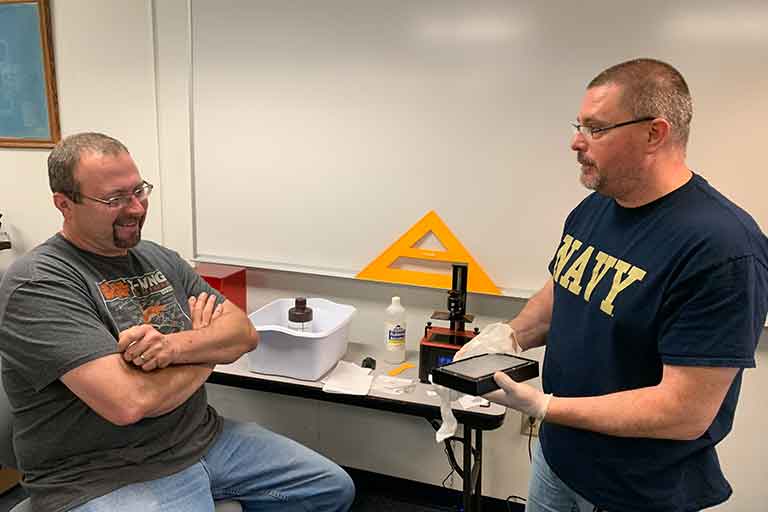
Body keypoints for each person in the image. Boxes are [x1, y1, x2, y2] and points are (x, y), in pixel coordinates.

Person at [457, 58, 768, 511]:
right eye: (579, 125)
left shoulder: (723, 249)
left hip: (635, 491)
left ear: (653, 134)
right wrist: (509, 335)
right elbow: (562, 290)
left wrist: (545, 407)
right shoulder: (597, 207)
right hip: (558, 459)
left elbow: (684, 412)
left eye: (596, 129)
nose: (576, 142)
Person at [0, 132, 355, 512]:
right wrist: (207, 349)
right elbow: (128, 403)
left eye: (139, 190)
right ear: (64, 204)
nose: (136, 208)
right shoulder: (39, 283)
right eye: (115, 199)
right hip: (101, 471)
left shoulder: (157, 259)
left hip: (200, 438)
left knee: (329, 489)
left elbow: (243, 333)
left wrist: (173, 347)